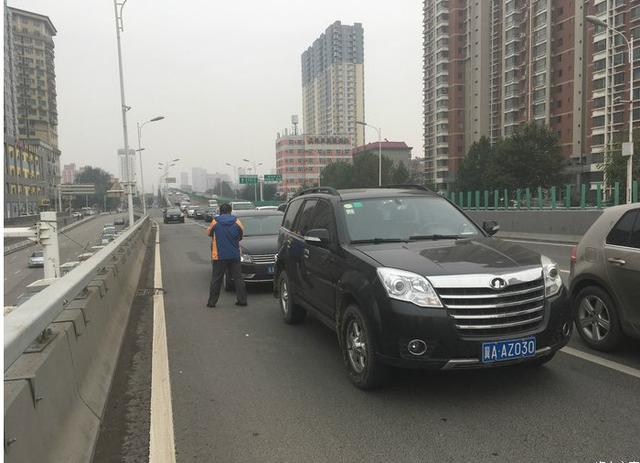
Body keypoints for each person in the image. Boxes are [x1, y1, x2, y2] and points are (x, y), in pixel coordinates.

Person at [206, 203, 247, 308]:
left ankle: (212, 302)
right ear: (230, 211)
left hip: (219, 256)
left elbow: (209, 232)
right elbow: (241, 235)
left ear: (220, 211)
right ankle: (242, 300)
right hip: (234, 255)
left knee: (216, 279)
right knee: (238, 278)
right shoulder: (237, 221)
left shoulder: (215, 221)